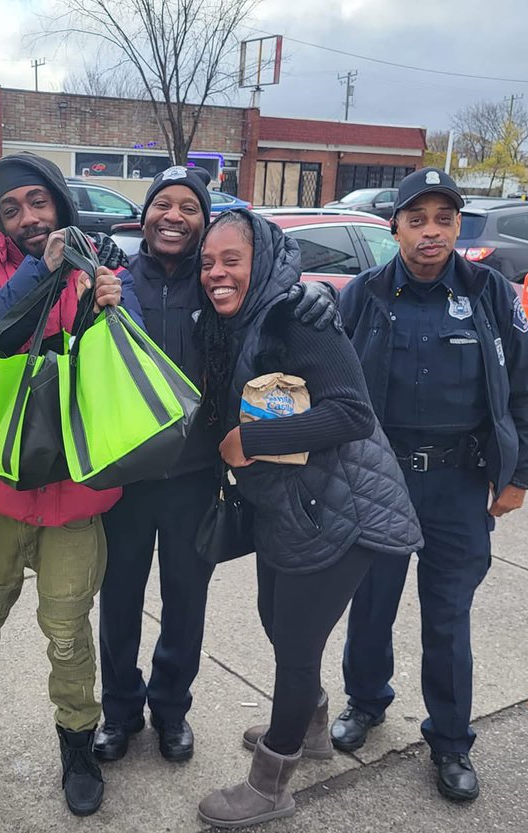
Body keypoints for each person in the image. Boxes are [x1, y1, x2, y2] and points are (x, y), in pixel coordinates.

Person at [0, 152, 140, 817]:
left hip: (74, 495)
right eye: (12, 209)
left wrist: (117, 307)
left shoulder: (101, 263)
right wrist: (43, 268)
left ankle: (76, 742)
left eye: (39, 202)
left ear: (61, 204)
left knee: (67, 632)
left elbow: (130, 359)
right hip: (0, 487)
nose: (28, 217)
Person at [95, 167, 343, 765]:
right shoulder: (111, 282)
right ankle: (120, 714)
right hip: (125, 480)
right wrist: (92, 302)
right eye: (163, 204)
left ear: (205, 225)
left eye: (189, 207)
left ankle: (172, 711)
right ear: (145, 215)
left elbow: (273, 302)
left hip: (194, 479)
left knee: (185, 603)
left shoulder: (218, 289)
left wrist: (315, 292)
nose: (173, 215)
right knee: (119, 601)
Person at [193, 210, 423, 829]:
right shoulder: (241, 323)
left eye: (231, 260)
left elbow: (350, 413)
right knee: (277, 622)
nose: (216, 272)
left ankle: (272, 781)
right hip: (294, 509)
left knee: (295, 646)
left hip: (341, 511)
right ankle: (311, 726)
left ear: (261, 260)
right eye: (208, 262)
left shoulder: (298, 316)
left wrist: (253, 439)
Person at [331, 167, 528, 803]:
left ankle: (450, 740)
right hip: (380, 478)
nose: (431, 232)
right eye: (417, 219)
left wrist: (521, 473)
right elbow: (333, 380)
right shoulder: (361, 295)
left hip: (458, 482)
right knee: (370, 606)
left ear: (458, 225)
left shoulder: (491, 294)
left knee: (448, 617)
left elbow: (526, 389)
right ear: (394, 226)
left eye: (443, 219)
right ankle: (365, 703)